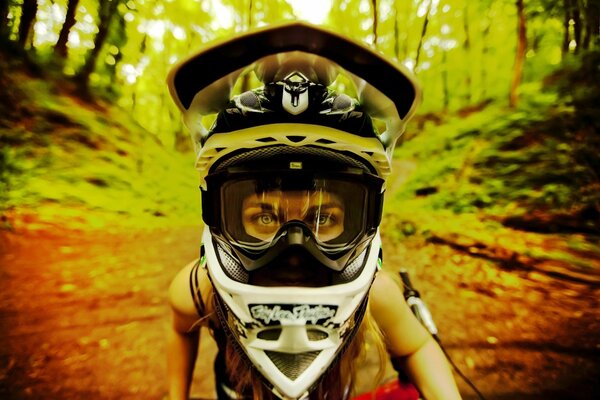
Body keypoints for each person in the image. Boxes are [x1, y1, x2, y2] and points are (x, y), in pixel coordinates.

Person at [166, 22, 462, 400]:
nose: (294, 248)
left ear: (364, 218)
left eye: (323, 218)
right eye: (264, 217)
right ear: (220, 214)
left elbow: (417, 346)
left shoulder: (376, 295)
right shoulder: (202, 288)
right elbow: (180, 327)